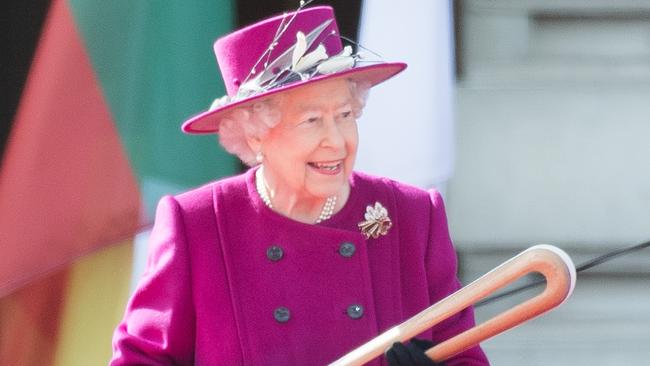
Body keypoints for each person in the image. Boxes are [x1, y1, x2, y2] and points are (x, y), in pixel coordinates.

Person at [111, 5, 489, 366]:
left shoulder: (412, 215)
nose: (337, 141)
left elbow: (463, 356)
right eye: (312, 121)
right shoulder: (196, 224)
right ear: (256, 135)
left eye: (344, 115)